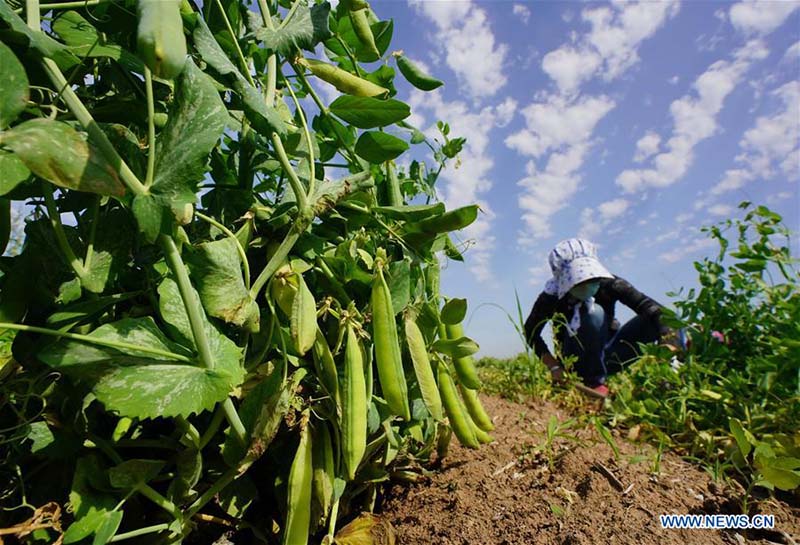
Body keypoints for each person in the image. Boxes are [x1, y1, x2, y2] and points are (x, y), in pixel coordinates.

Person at [523, 238, 665, 398]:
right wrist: (554, 367)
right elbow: (530, 332)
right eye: (580, 281)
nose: (588, 284)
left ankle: (673, 374)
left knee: (660, 321)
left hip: (608, 355)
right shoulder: (551, 297)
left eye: (592, 279)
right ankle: (591, 382)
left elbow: (654, 309)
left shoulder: (611, 284)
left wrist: (670, 343)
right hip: (575, 360)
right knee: (594, 313)